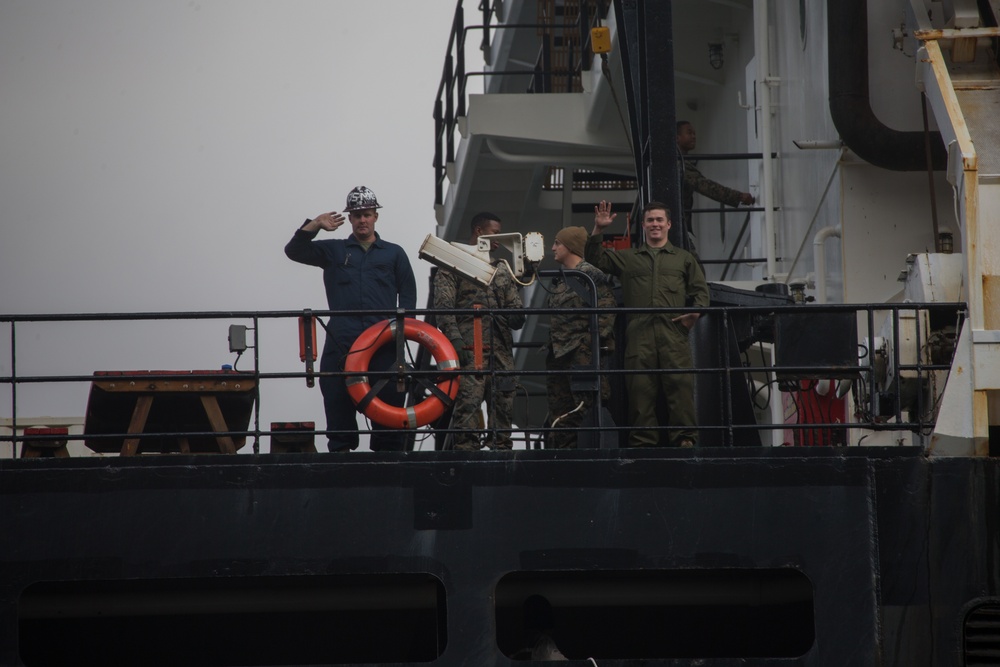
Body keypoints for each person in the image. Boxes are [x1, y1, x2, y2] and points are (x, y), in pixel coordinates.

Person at [284, 185, 417, 452]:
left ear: (375, 216)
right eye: (357, 216)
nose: (362, 220)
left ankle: (389, 458)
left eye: (367, 214)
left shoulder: (394, 253)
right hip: (341, 339)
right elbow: (294, 251)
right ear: (351, 219)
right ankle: (341, 455)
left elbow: (409, 299)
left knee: (389, 399)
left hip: (383, 340)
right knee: (335, 395)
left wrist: (401, 338)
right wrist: (315, 224)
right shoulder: (333, 250)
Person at [586, 200, 709, 447]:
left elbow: (701, 292)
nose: (655, 224)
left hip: (673, 333)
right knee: (640, 390)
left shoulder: (684, 259)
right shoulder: (629, 258)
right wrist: (598, 228)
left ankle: (685, 440)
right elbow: (595, 257)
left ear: (669, 224)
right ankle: (643, 442)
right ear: (643, 225)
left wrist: (694, 315)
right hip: (639, 334)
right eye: (650, 220)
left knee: (680, 387)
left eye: (659, 220)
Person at [432, 212, 525, 450]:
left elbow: (516, 317)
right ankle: (466, 453)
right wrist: (454, 340)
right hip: (469, 348)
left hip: (500, 352)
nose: (499, 239)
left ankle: (500, 450)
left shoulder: (502, 269)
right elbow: (443, 306)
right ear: (478, 231)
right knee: (467, 406)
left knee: (503, 404)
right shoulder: (454, 261)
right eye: (495, 233)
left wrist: (525, 276)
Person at [544, 226, 616, 449]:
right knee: (561, 409)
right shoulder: (560, 280)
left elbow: (607, 309)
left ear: (571, 246)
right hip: (559, 354)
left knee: (584, 407)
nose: (553, 248)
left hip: (581, 355)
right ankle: (564, 453)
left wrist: (590, 343)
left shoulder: (591, 275)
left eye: (558, 243)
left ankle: (587, 451)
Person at [676, 120, 755, 242]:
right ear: (677, 138)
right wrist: (739, 196)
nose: (694, 136)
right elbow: (706, 186)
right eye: (689, 133)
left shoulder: (679, 162)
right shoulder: (679, 164)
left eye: (694, 133)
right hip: (674, 226)